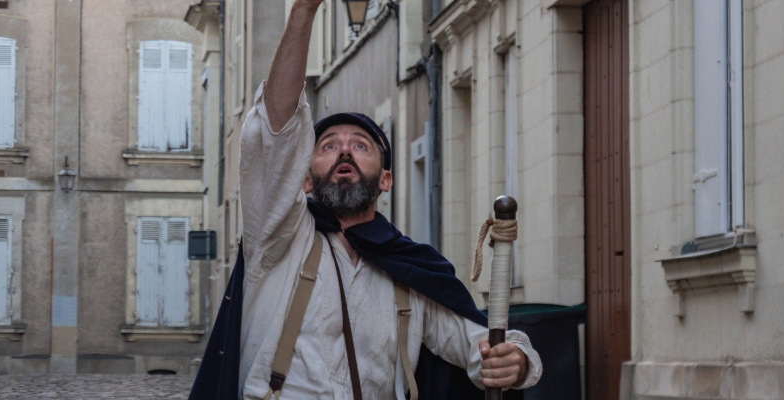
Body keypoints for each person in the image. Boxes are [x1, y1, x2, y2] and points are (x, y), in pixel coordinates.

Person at [189, 0, 542, 398]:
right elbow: (276, 132)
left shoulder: (410, 269)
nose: (344, 152)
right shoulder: (278, 239)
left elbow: (477, 344)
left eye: (360, 145)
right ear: (304, 180)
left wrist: (514, 359)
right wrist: (304, 11)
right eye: (327, 146)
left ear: (386, 179)